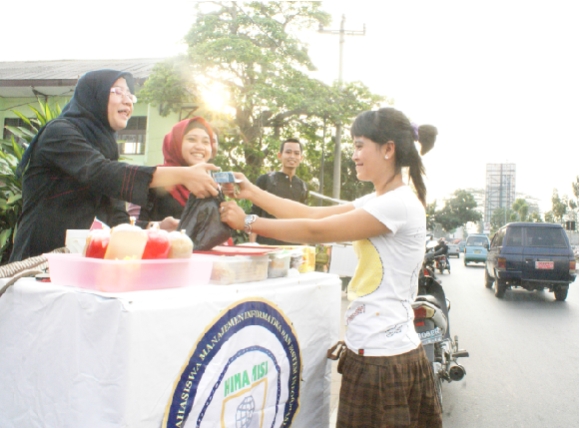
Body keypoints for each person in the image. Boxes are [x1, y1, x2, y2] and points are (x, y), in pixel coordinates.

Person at [219, 107, 442, 427]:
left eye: (359, 145)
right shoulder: (379, 199)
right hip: (378, 351)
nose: (354, 155)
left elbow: (316, 233)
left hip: (383, 360)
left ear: (388, 149)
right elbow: (311, 215)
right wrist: (251, 191)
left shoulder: (397, 204)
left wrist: (249, 221)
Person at [9, 69, 220, 261]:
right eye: (118, 91)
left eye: (130, 95)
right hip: (33, 258)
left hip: (69, 259)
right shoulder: (59, 132)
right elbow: (101, 172)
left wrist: (153, 229)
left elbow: (115, 215)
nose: (128, 101)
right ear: (94, 95)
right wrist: (183, 175)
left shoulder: (104, 145)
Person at [129, 117, 218, 231]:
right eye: (192, 139)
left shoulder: (211, 186)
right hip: (161, 247)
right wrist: (158, 227)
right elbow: (127, 225)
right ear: (176, 143)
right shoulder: (155, 178)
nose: (200, 147)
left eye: (206, 142)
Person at [249, 138, 308, 245]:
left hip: (293, 246)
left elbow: (303, 218)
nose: (292, 156)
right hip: (267, 244)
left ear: (301, 158)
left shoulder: (302, 186)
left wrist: (304, 247)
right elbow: (255, 214)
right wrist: (253, 245)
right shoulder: (265, 180)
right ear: (280, 155)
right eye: (288, 152)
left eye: (296, 153)